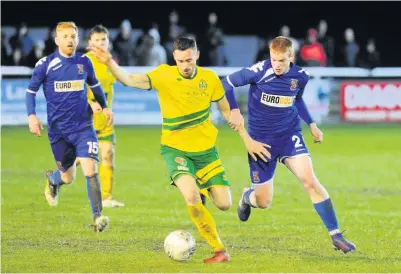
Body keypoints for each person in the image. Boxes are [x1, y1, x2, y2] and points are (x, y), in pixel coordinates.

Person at [89, 36, 269, 263]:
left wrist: (244, 135)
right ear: (175, 57)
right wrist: (110, 63)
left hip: (206, 152)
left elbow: (226, 111)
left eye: (189, 60)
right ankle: (219, 250)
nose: (185, 65)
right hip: (175, 150)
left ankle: (225, 193)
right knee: (191, 196)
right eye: (181, 60)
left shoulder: (209, 79)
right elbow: (130, 80)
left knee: (224, 204)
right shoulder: (164, 75)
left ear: (197, 56)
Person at [222, 36, 356, 254]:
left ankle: (336, 235)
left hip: (289, 136)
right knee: (264, 201)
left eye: (281, 61)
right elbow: (226, 83)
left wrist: (311, 124)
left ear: (291, 57)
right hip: (260, 142)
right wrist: (235, 110)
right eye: (273, 59)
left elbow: (298, 99)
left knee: (309, 180)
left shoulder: (300, 76)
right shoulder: (259, 71)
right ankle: (247, 196)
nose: (276, 64)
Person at [25, 21, 113, 232]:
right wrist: (31, 116)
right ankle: (54, 179)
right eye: (65, 37)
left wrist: (105, 106)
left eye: (73, 36)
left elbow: (95, 86)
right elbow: (30, 92)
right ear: (57, 40)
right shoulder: (45, 64)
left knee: (90, 168)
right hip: (59, 132)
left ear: (77, 39)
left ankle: (98, 217)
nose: (70, 40)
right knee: (68, 176)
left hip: (83, 126)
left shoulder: (84, 62)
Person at [83, 24, 124, 208]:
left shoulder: (110, 62)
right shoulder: (84, 62)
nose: (100, 43)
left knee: (108, 155)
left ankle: (106, 198)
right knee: (78, 162)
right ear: (90, 42)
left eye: (103, 40)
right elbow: (75, 91)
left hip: (105, 119)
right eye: (97, 40)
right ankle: (55, 179)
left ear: (108, 42)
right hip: (85, 120)